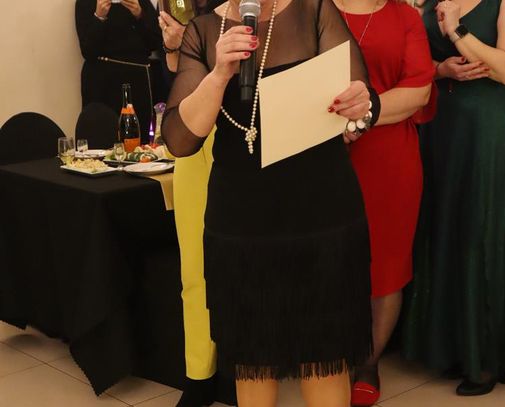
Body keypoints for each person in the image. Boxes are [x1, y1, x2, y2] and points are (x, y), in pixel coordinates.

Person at [161, 0, 382, 404]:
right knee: (253, 363)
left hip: (321, 216)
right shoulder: (204, 31)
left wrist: (361, 106)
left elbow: (364, 100)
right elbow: (179, 139)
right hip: (243, 226)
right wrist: (219, 74)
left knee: (325, 360)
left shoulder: (314, 11)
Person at [402, 0, 505, 397]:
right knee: (445, 228)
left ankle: (486, 356)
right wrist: (441, 69)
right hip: (442, 124)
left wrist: (458, 32)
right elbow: (415, 60)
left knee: (483, 231)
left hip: (490, 127)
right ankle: (451, 346)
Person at [334, 0, 433, 405]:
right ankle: (328, 355)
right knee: (327, 258)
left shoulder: (405, 16)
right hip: (324, 154)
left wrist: (364, 116)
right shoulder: (312, 9)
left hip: (389, 156)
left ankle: (368, 362)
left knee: (386, 264)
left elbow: (419, 90)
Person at [158, 9, 224, 407]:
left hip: (247, 137)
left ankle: (248, 362)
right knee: (194, 268)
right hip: (193, 139)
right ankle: (200, 374)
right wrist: (173, 48)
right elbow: (180, 82)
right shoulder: (194, 16)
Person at [75, 0, 162, 142]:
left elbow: (155, 42)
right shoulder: (86, 2)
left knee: (140, 141)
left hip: (138, 79)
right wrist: (99, 17)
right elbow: (87, 50)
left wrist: (140, 15)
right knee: (101, 137)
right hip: (102, 82)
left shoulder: (140, 2)